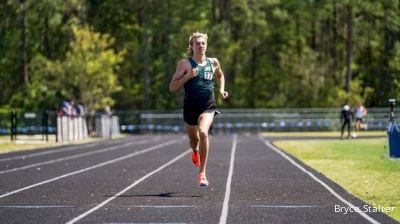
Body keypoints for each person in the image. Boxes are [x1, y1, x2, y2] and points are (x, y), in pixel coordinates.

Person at [169, 31, 229, 187]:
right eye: (197, 43)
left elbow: (220, 75)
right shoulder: (185, 64)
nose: (201, 46)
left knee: (203, 132)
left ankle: (202, 173)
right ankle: (195, 152)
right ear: (192, 46)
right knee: (194, 142)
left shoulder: (213, 62)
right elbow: (172, 87)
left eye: (203, 43)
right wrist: (188, 76)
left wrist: (222, 89)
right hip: (190, 108)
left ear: (206, 44)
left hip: (208, 106)